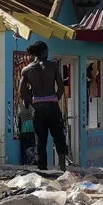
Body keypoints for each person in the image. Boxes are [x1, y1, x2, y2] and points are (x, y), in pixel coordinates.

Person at [19, 41, 70, 170]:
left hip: (38, 108)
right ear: (43, 52)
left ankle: (42, 168)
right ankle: (62, 167)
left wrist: (32, 102)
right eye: (47, 51)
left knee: (40, 140)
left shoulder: (27, 70)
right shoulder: (53, 66)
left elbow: (22, 92)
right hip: (52, 106)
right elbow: (61, 87)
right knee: (59, 136)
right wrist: (55, 99)